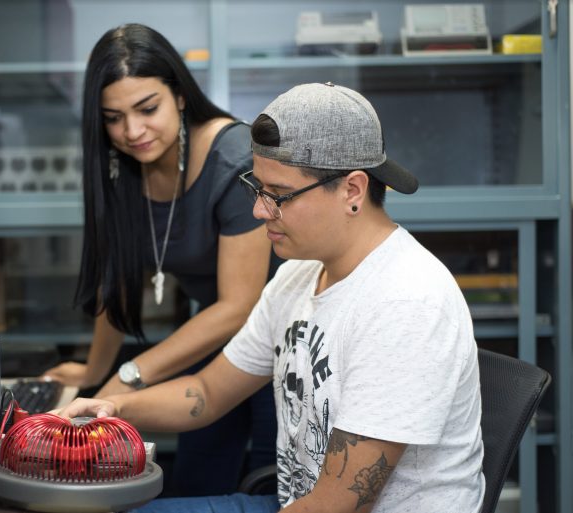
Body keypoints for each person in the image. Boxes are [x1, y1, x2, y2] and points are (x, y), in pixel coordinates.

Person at [53, 82, 486, 513]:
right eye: (256, 188)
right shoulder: (297, 277)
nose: (259, 210)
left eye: (278, 196)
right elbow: (208, 391)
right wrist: (112, 409)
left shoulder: (406, 302)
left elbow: (333, 507)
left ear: (352, 190)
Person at [41, 23, 279, 496]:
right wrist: (94, 374)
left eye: (147, 109)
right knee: (194, 482)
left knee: (273, 483)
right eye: (113, 117)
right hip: (216, 339)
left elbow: (239, 305)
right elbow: (120, 284)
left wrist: (126, 379)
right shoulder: (123, 167)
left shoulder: (233, 160)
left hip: (284, 341)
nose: (132, 131)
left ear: (181, 96)